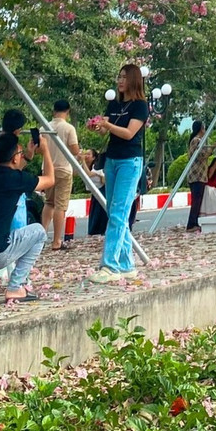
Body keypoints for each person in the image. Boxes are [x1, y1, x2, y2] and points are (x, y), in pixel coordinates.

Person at [0, 132, 54, 304]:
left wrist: (29, 156)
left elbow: (12, 170)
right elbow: (50, 180)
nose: (21, 156)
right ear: (15, 158)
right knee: (39, 231)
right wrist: (46, 152)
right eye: (19, 153)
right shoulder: (15, 179)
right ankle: (16, 287)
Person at [90, 63, 149, 282]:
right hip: (112, 160)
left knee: (118, 212)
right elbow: (108, 131)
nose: (120, 81)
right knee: (116, 213)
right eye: (119, 77)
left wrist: (109, 125)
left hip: (129, 162)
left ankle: (109, 266)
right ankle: (126, 265)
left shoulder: (140, 107)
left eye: (124, 77)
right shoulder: (113, 105)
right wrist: (98, 125)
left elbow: (128, 133)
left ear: (133, 80)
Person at [41, 99, 79, 252]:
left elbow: (38, 149)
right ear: (67, 112)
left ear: (53, 111)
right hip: (63, 169)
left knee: (49, 202)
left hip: (48, 170)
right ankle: (57, 241)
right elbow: (75, 150)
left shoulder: (44, 127)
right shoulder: (69, 128)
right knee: (60, 205)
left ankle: (41, 238)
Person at [186, 121, 208, 233]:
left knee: (197, 201)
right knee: (196, 201)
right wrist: (211, 149)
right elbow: (201, 155)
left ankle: (194, 222)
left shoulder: (196, 140)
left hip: (199, 175)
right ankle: (191, 224)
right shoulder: (197, 141)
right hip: (197, 175)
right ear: (201, 129)